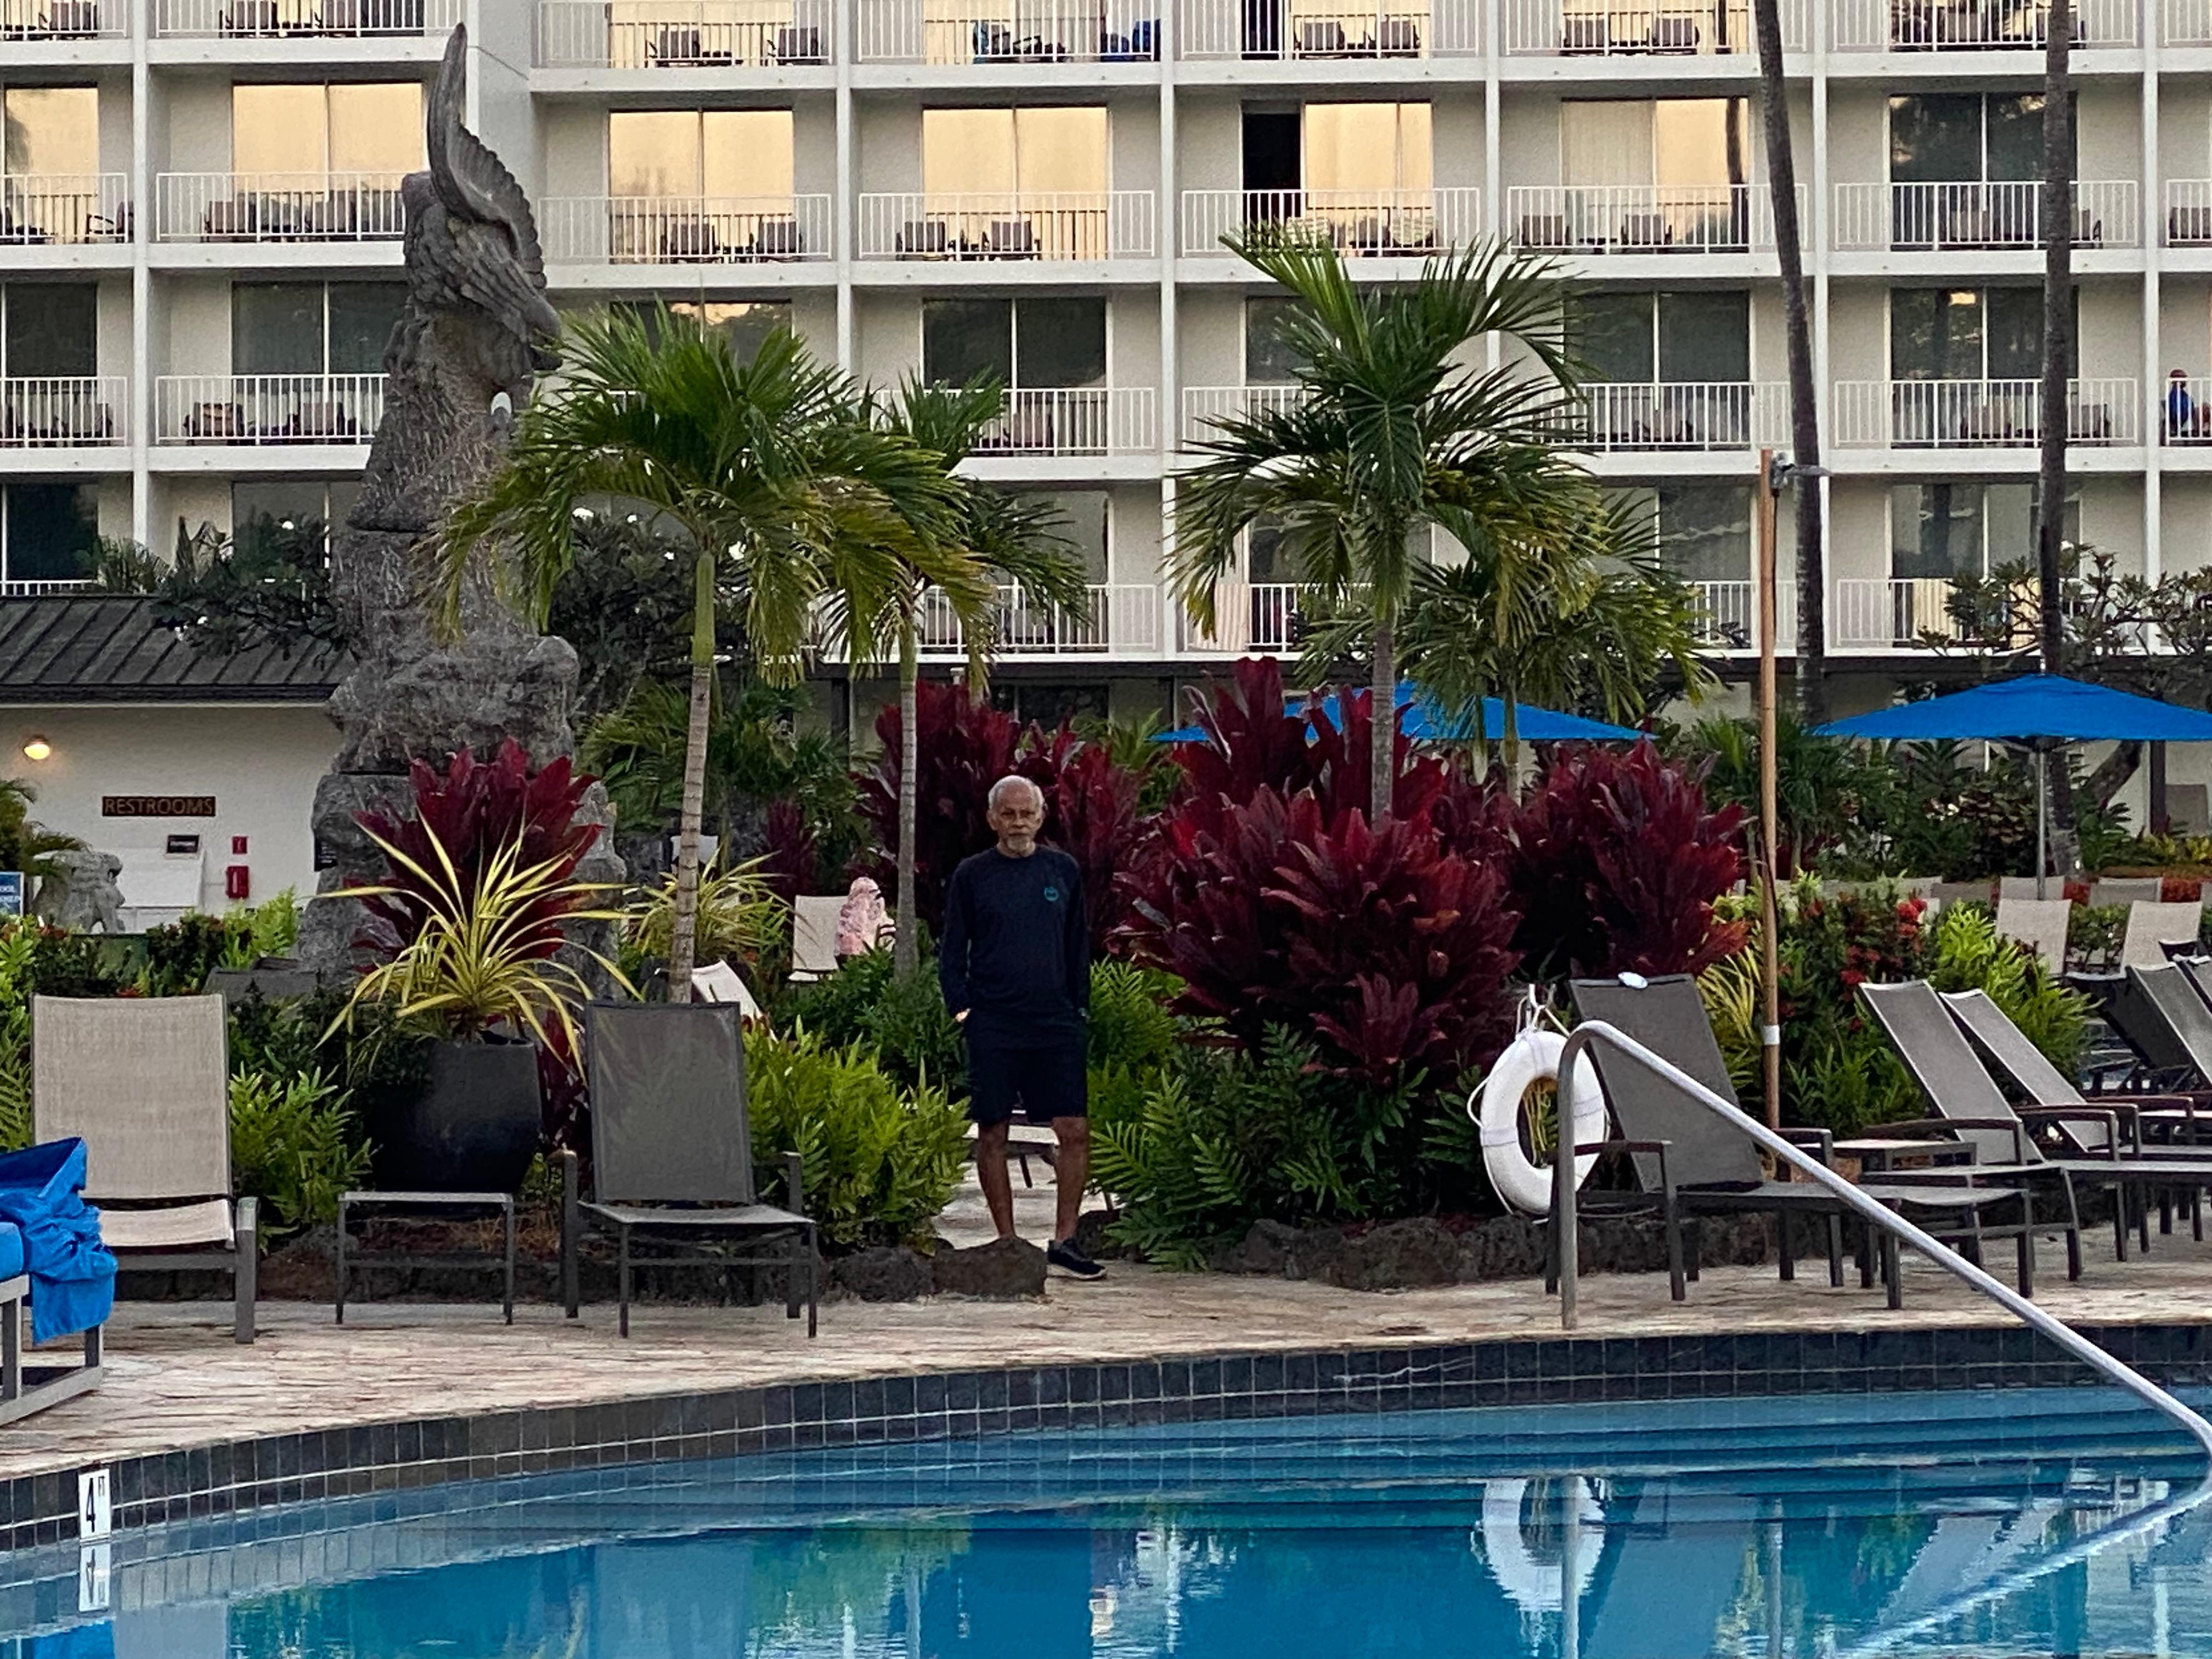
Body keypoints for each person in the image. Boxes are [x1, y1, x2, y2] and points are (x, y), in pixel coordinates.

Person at [939, 774, 1103, 1279]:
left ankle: (1065, 1241)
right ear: (993, 819)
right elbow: (952, 949)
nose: (1017, 823)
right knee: (993, 1131)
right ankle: (1008, 1244)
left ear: (1040, 817)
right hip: (994, 1021)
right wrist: (962, 1009)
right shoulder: (972, 875)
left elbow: (1077, 944)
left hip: (1054, 1020)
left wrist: (1078, 1007)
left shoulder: (1062, 870)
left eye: (1026, 814)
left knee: (1073, 1130)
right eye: (1008, 814)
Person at [2171, 369, 2197, 439]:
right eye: (2184, 378)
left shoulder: (2182, 394)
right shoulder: (2176, 395)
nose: (2186, 381)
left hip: (2185, 429)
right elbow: (2176, 413)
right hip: (2183, 430)